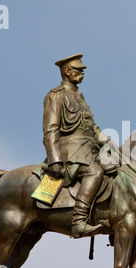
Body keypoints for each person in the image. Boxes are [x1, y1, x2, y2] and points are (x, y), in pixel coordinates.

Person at [42, 54, 112, 238]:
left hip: (89, 147)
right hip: (70, 149)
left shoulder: (79, 96)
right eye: (79, 70)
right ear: (67, 72)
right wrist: (54, 159)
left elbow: (90, 125)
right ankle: (79, 222)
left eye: (82, 70)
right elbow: (51, 130)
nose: (82, 73)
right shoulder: (56, 96)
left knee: (117, 168)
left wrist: (104, 137)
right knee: (94, 172)